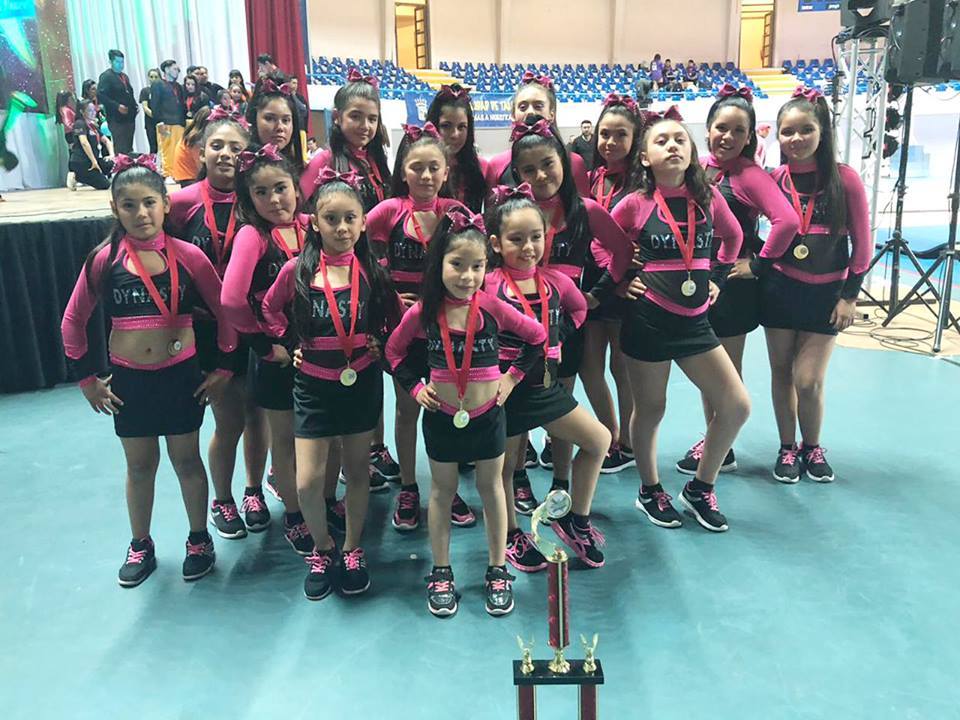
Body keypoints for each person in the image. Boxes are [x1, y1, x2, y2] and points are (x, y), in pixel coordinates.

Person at [60, 155, 237, 587]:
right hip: (130, 383)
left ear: (165, 204)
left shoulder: (190, 257)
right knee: (139, 466)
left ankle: (199, 539)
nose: (141, 213)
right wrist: (86, 379)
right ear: (114, 209)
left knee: (187, 461)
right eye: (129, 205)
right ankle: (141, 542)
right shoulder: (104, 260)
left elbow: (227, 312)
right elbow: (73, 320)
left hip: (181, 378)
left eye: (149, 203)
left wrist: (225, 367)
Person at [386, 208, 547, 618]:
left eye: (477, 266)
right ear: (438, 264)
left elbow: (537, 337)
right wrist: (415, 388)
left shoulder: (493, 307)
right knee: (441, 493)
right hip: (441, 418)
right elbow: (394, 351)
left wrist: (511, 378)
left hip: (488, 417)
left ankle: (497, 569)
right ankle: (441, 571)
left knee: (493, 490)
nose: (467, 276)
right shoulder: (424, 312)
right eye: (457, 265)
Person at [261, 170, 403, 600]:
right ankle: (322, 549)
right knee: (307, 482)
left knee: (357, 471)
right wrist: (288, 343)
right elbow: (269, 309)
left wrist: (383, 343)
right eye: (331, 219)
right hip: (312, 388)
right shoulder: (296, 271)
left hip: (361, 383)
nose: (341, 228)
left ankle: (353, 548)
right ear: (315, 223)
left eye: (350, 218)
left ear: (363, 223)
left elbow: (399, 321)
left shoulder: (374, 273)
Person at [610, 108, 750, 533]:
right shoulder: (634, 203)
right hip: (648, 321)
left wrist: (718, 278)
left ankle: (700, 487)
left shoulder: (709, 198)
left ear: (691, 151)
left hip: (695, 324)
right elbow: (602, 245)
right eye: (661, 141)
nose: (672, 145)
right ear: (645, 157)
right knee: (652, 409)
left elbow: (734, 237)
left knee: (736, 406)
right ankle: (649, 489)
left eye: (679, 139)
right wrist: (621, 280)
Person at [675, 85, 800, 477]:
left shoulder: (750, 176)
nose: (727, 137)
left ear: (749, 138)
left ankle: (721, 444)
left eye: (738, 131)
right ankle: (718, 444)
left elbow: (787, 221)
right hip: (700, 281)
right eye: (721, 128)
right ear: (708, 129)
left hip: (731, 287)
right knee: (706, 371)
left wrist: (758, 265)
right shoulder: (700, 168)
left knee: (725, 371)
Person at [507, 116, 631, 510]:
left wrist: (596, 295)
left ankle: (560, 482)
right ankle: (518, 477)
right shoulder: (512, 213)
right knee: (517, 405)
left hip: (564, 328)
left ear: (563, 161)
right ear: (517, 174)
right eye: (529, 169)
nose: (541, 175)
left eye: (548, 164)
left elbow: (623, 252)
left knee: (561, 400)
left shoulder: (586, 211)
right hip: (516, 326)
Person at [485, 187, 611, 573]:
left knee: (599, 440)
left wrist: (556, 338)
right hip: (505, 391)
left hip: (545, 387)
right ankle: (511, 534)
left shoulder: (556, 282)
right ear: (496, 243)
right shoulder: (488, 285)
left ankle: (575, 520)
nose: (528, 247)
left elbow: (578, 309)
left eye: (535, 237)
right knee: (505, 468)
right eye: (516, 239)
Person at [752, 87, 870, 483]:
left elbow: (863, 243)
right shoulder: (773, 179)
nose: (796, 139)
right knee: (782, 374)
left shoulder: (845, 179)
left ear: (823, 132)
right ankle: (787, 447)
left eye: (806, 130)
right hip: (780, 290)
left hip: (827, 295)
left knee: (809, 380)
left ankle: (812, 445)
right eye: (787, 131)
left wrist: (849, 296)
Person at [166, 110, 271, 540]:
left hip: (250, 323)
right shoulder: (180, 204)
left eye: (235, 147)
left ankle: (253, 491)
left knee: (257, 414)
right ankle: (222, 499)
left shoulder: (256, 204)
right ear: (201, 151)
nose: (226, 154)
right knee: (229, 420)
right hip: (205, 329)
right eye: (217, 145)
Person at [365, 122, 469, 531]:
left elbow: (479, 262)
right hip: (404, 334)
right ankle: (408, 487)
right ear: (403, 172)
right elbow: (352, 248)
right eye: (416, 167)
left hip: (448, 335)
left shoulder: (457, 213)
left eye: (433, 168)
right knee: (407, 410)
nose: (425, 176)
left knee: (444, 411)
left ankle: (447, 487)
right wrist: (389, 291)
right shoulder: (388, 211)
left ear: (446, 172)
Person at [221, 144, 314, 556]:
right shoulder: (252, 235)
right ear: (249, 199)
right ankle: (294, 515)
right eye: (261, 192)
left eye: (281, 188)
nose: (274, 200)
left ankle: (318, 502)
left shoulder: (313, 226)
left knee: (318, 436)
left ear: (296, 187)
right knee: (287, 440)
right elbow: (231, 299)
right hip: (278, 356)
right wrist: (263, 345)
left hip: (318, 352)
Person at [582, 93, 646, 473]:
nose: (610, 142)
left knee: (622, 368)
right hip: (593, 284)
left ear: (635, 138)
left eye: (620, 135)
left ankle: (630, 444)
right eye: (604, 134)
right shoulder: (591, 178)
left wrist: (621, 279)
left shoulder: (644, 184)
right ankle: (610, 435)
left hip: (627, 285)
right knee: (590, 367)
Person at [484, 72, 590, 197]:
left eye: (538, 106)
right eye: (523, 107)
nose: (530, 112)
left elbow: (584, 206)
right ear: (513, 115)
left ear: (552, 114)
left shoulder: (575, 163)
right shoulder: (496, 165)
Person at [300, 69, 391, 213]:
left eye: (372, 119)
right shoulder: (324, 161)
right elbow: (296, 208)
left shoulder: (377, 160)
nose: (365, 126)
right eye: (355, 117)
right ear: (337, 116)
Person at [425, 84, 488, 213]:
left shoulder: (482, 168)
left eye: (461, 127)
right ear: (433, 126)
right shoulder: (421, 168)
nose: (455, 135)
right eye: (446, 126)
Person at [245, 72, 306, 172]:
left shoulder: (303, 171)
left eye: (285, 120)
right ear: (254, 120)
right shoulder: (241, 165)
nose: (280, 127)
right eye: (269, 118)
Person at [97, 50, 138, 154]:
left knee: (128, 147)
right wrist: (117, 106)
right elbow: (101, 96)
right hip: (116, 119)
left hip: (129, 117)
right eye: (117, 62)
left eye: (122, 62)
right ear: (111, 62)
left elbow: (129, 93)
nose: (121, 65)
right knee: (120, 147)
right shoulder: (106, 76)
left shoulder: (124, 76)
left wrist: (135, 105)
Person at [150, 60, 187, 177]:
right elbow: (155, 104)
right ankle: (168, 174)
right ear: (166, 70)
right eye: (175, 69)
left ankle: (178, 172)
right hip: (165, 122)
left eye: (178, 70)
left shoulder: (178, 86)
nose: (177, 72)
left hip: (178, 123)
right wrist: (159, 122)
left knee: (179, 150)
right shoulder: (158, 84)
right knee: (167, 150)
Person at [68, 99, 114, 190]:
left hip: (93, 160)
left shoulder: (93, 126)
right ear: (82, 112)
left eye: (94, 110)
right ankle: (76, 176)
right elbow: (84, 143)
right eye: (89, 110)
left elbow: (107, 141)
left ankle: (93, 175)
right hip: (82, 162)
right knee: (105, 185)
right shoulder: (79, 124)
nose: (93, 112)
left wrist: (111, 155)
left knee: (111, 163)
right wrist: (94, 162)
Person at [170, 105, 212, 186]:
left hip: (185, 176)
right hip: (190, 178)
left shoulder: (191, 132)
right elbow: (200, 166)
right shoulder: (196, 138)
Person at [55, 90, 78, 189]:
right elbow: (68, 124)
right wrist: (77, 127)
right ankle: (73, 176)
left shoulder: (65, 109)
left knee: (73, 154)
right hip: (71, 134)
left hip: (70, 134)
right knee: (73, 154)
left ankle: (73, 176)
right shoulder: (65, 110)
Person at [139, 68, 161, 155]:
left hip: (163, 122)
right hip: (150, 123)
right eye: (151, 77)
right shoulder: (145, 91)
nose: (153, 79)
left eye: (156, 77)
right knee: (153, 147)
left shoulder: (163, 90)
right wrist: (155, 116)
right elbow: (145, 107)